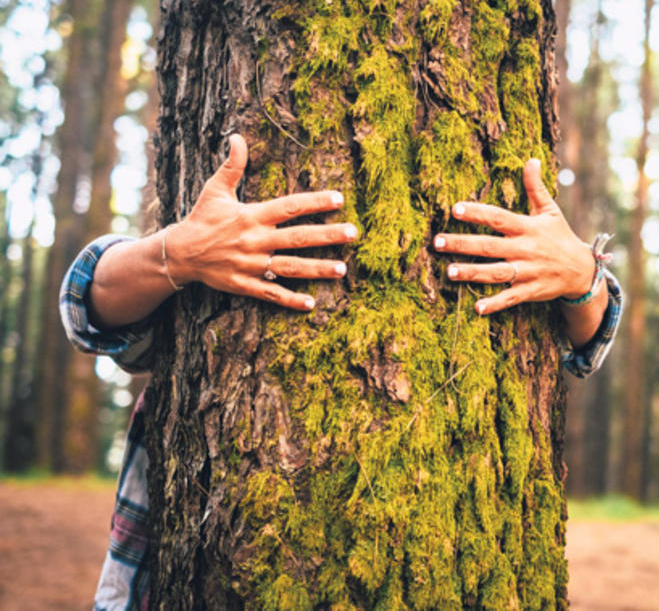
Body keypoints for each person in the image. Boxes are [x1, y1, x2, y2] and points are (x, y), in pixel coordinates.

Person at [62, 134, 622, 610]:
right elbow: (84, 305)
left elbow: (585, 342)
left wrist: (584, 275)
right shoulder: (192, 285)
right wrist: (179, 255)